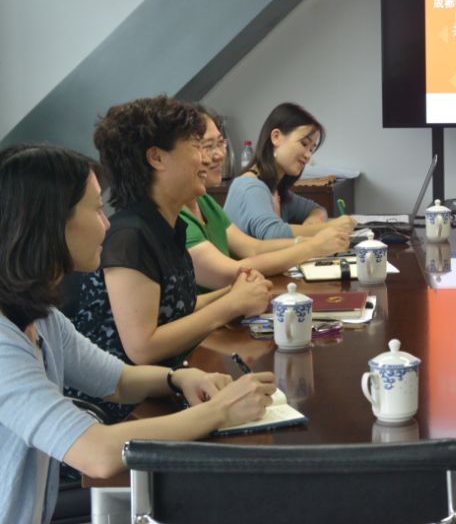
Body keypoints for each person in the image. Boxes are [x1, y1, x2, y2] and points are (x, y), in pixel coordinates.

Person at [0, 143, 276, 524]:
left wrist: (178, 378)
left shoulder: (41, 317)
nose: (106, 223)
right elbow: (97, 453)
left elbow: (119, 380)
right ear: (50, 223)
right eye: (95, 209)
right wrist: (220, 411)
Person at [72, 96, 272, 422]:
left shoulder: (165, 224)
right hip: (122, 413)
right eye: (196, 146)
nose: (206, 159)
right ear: (157, 157)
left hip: (165, 389)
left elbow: (171, 309)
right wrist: (230, 304)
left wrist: (235, 293)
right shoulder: (130, 236)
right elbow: (143, 346)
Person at [181, 108, 350, 290]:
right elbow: (230, 272)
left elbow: (253, 248)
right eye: (207, 146)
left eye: (221, 144)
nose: (220, 155)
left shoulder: (203, 200)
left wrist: (307, 240)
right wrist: (315, 244)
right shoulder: (249, 186)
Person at [224, 102, 354, 241]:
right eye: (304, 144)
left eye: (311, 149)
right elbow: (272, 233)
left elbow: (317, 209)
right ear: (276, 137)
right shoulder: (249, 186)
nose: (308, 155)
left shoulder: (276, 191)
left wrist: (314, 220)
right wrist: (328, 227)